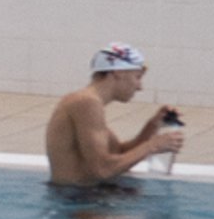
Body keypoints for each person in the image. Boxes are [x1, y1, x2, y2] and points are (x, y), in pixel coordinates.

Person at [47, 45, 183, 187]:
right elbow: (103, 169)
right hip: (76, 201)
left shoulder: (89, 103)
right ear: (118, 72)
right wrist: (153, 146)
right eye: (137, 77)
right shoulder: (86, 102)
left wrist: (153, 125)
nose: (140, 87)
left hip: (80, 197)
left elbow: (119, 157)